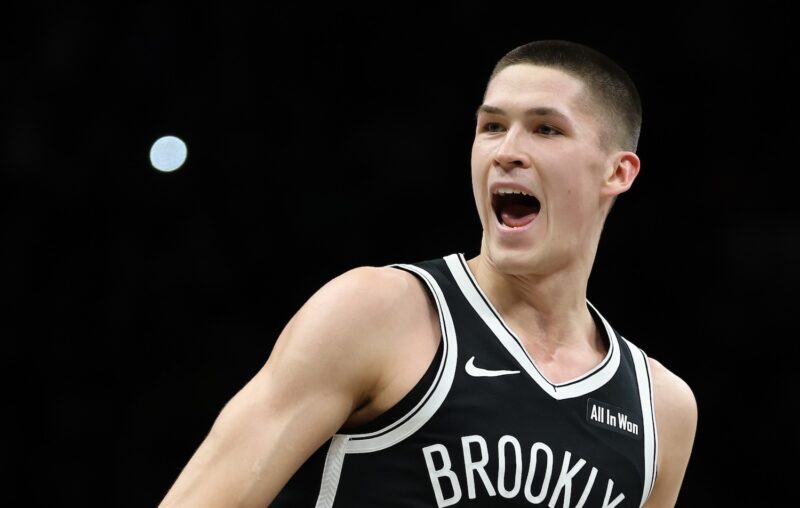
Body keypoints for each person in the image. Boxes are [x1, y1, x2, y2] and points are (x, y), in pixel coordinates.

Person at [160, 40, 697, 507]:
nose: (507, 151)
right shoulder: (378, 312)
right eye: (491, 126)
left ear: (616, 171)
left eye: (545, 129)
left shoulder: (660, 409)